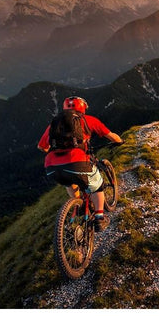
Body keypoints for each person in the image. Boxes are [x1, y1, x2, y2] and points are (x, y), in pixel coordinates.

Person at [37, 96, 123, 232]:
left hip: (52, 167)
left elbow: (42, 147)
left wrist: (56, 150)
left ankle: (79, 204)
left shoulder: (54, 124)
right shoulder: (88, 120)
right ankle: (99, 219)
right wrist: (120, 142)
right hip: (78, 162)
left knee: (69, 181)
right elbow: (111, 136)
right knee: (97, 187)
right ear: (83, 108)